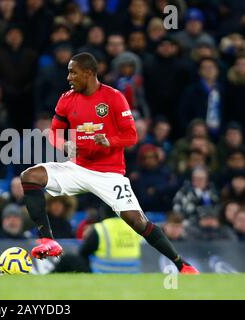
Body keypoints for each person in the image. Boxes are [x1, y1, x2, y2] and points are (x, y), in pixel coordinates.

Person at [20, 52, 199, 274]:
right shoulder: (66, 98)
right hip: (78, 167)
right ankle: (47, 240)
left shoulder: (114, 97)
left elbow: (131, 136)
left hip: (109, 173)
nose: (69, 77)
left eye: (73, 72)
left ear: (89, 73)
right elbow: (53, 133)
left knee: (137, 222)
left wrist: (109, 141)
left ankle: (182, 265)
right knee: (30, 176)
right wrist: (64, 145)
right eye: (68, 71)